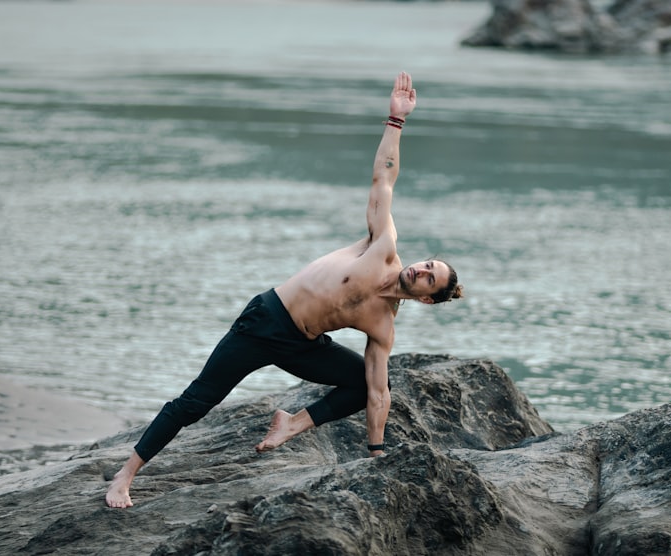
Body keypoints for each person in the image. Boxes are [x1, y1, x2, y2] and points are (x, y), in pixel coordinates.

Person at [105, 71, 463, 509]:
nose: (421, 270)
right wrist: (395, 121)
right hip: (266, 319)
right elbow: (383, 179)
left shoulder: (383, 325)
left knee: (361, 380)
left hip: (301, 343)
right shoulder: (382, 245)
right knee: (195, 401)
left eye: (429, 277)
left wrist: (377, 454)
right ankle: (124, 476)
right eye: (427, 264)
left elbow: (377, 394)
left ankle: (291, 424)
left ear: (427, 298)